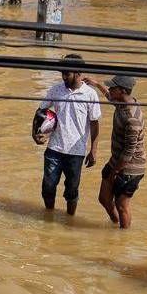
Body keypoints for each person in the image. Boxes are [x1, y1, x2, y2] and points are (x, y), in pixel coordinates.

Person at [37, 55, 103, 216]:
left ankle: (70, 220)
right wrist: (36, 133)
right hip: (54, 148)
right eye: (62, 73)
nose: (64, 77)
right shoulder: (56, 90)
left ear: (78, 73)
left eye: (67, 73)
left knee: (72, 190)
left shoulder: (90, 94)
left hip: (76, 151)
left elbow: (94, 123)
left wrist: (93, 150)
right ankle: (48, 217)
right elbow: (41, 111)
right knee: (48, 187)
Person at [97, 75, 147, 229]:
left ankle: (123, 235)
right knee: (104, 198)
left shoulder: (132, 119)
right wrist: (96, 84)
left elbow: (129, 151)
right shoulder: (123, 102)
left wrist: (115, 172)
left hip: (130, 167)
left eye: (113, 88)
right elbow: (109, 96)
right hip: (117, 160)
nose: (110, 89)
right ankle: (115, 224)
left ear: (123, 91)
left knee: (121, 205)